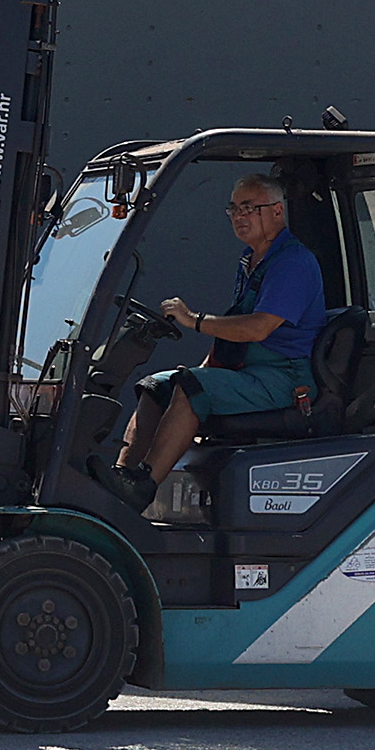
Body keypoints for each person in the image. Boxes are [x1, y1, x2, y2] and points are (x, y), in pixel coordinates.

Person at [98, 173, 327, 516]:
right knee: (156, 387)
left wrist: (194, 320)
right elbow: (233, 332)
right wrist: (205, 366)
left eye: (248, 208)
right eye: (234, 209)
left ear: (277, 211)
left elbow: (258, 328)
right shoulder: (251, 261)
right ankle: (121, 478)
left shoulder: (292, 262)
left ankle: (143, 487)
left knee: (192, 387)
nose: (239, 216)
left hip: (284, 379)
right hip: (250, 372)